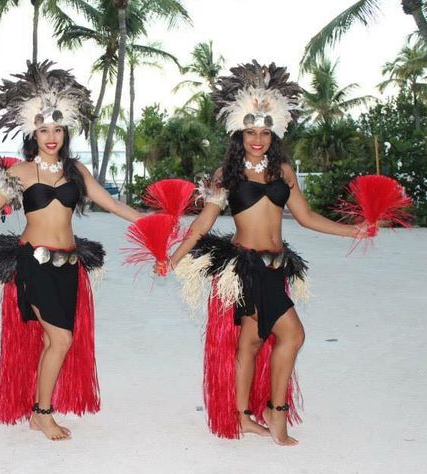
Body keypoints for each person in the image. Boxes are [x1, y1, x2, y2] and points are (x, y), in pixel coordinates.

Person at [156, 61, 366, 446]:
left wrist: (352, 229)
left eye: (264, 132)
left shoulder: (283, 170)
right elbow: (202, 224)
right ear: (240, 133)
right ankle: (274, 411)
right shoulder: (227, 174)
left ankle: (242, 416)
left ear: (275, 133)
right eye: (251, 132)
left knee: (251, 343)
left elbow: (305, 217)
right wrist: (173, 257)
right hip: (244, 268)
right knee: (294, 335)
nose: (257, 139)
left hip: (276, 266)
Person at [0, 60, 141, 440]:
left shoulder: (76, 171)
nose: (51, 136)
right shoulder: (17, 173)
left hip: (69, 265)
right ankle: (41, 412)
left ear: (66, 131)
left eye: (57, 128)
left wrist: (152, 226)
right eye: (43, 129)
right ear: (31, 132)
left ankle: (40, 407)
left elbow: (113, 205)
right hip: (32, 264)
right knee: (61, 339)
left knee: (57, 339)